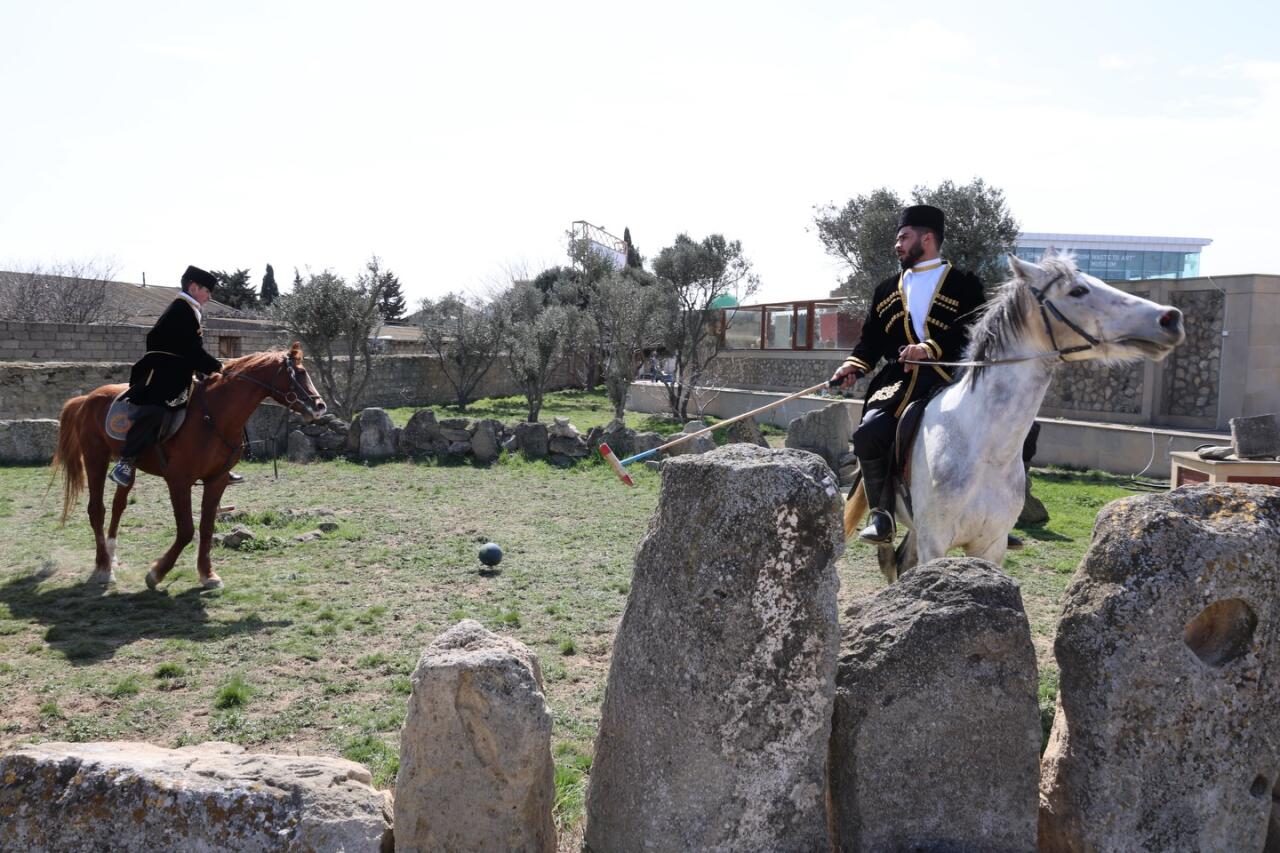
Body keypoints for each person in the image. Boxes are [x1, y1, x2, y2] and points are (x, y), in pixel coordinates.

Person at [829, 205, 986, 544]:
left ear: (927, 238)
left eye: (903, 237)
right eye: (897, 238)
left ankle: (1000, 516)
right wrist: (852, 366)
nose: (897, 245)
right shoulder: (886, 290)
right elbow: (870, 342)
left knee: (1019, 427)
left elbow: (973, 332)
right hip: (899, 383)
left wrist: (929, 348)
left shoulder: (966, 285)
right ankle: (882, 515)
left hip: (952, 378)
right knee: (868, 433)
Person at [110, 266, 225, 488]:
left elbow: (190, 351)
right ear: (193, 287)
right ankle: (126, 461)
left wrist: (206, 370)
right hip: (161, 374)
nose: (210, 297)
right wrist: (218, 366)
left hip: (179, 372)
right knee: (156, 409)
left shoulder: (189, 309)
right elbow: (191, 350)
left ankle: (214, 465)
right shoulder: (181, 309)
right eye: (207, 292)